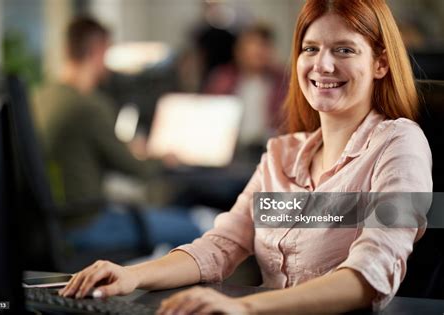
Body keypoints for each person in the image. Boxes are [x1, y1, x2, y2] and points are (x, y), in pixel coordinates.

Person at [58, 0, 432, 313]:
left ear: (380, 63)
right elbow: (221, 245)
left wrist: (247, 307)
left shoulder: (400, 144)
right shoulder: (281, 156)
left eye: (344, 50)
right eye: (311, 48)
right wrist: (134, 275)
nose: (322, 64)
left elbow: (372, 271)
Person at [33, 16, 205, 251]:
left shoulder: (41, 97)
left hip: (51, 225)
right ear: (98, 51)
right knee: (194, 227)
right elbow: (136, 169)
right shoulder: (88, 104)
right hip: (85, 224)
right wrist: (163, 159)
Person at [203, 23, 287, 145]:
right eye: (252, 45)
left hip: (270, 147)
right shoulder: (222, 79)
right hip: (228, 147)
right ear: (239, 50)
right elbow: (206, 116)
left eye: (263, 45)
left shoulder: (282, 81)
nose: (258, 51)